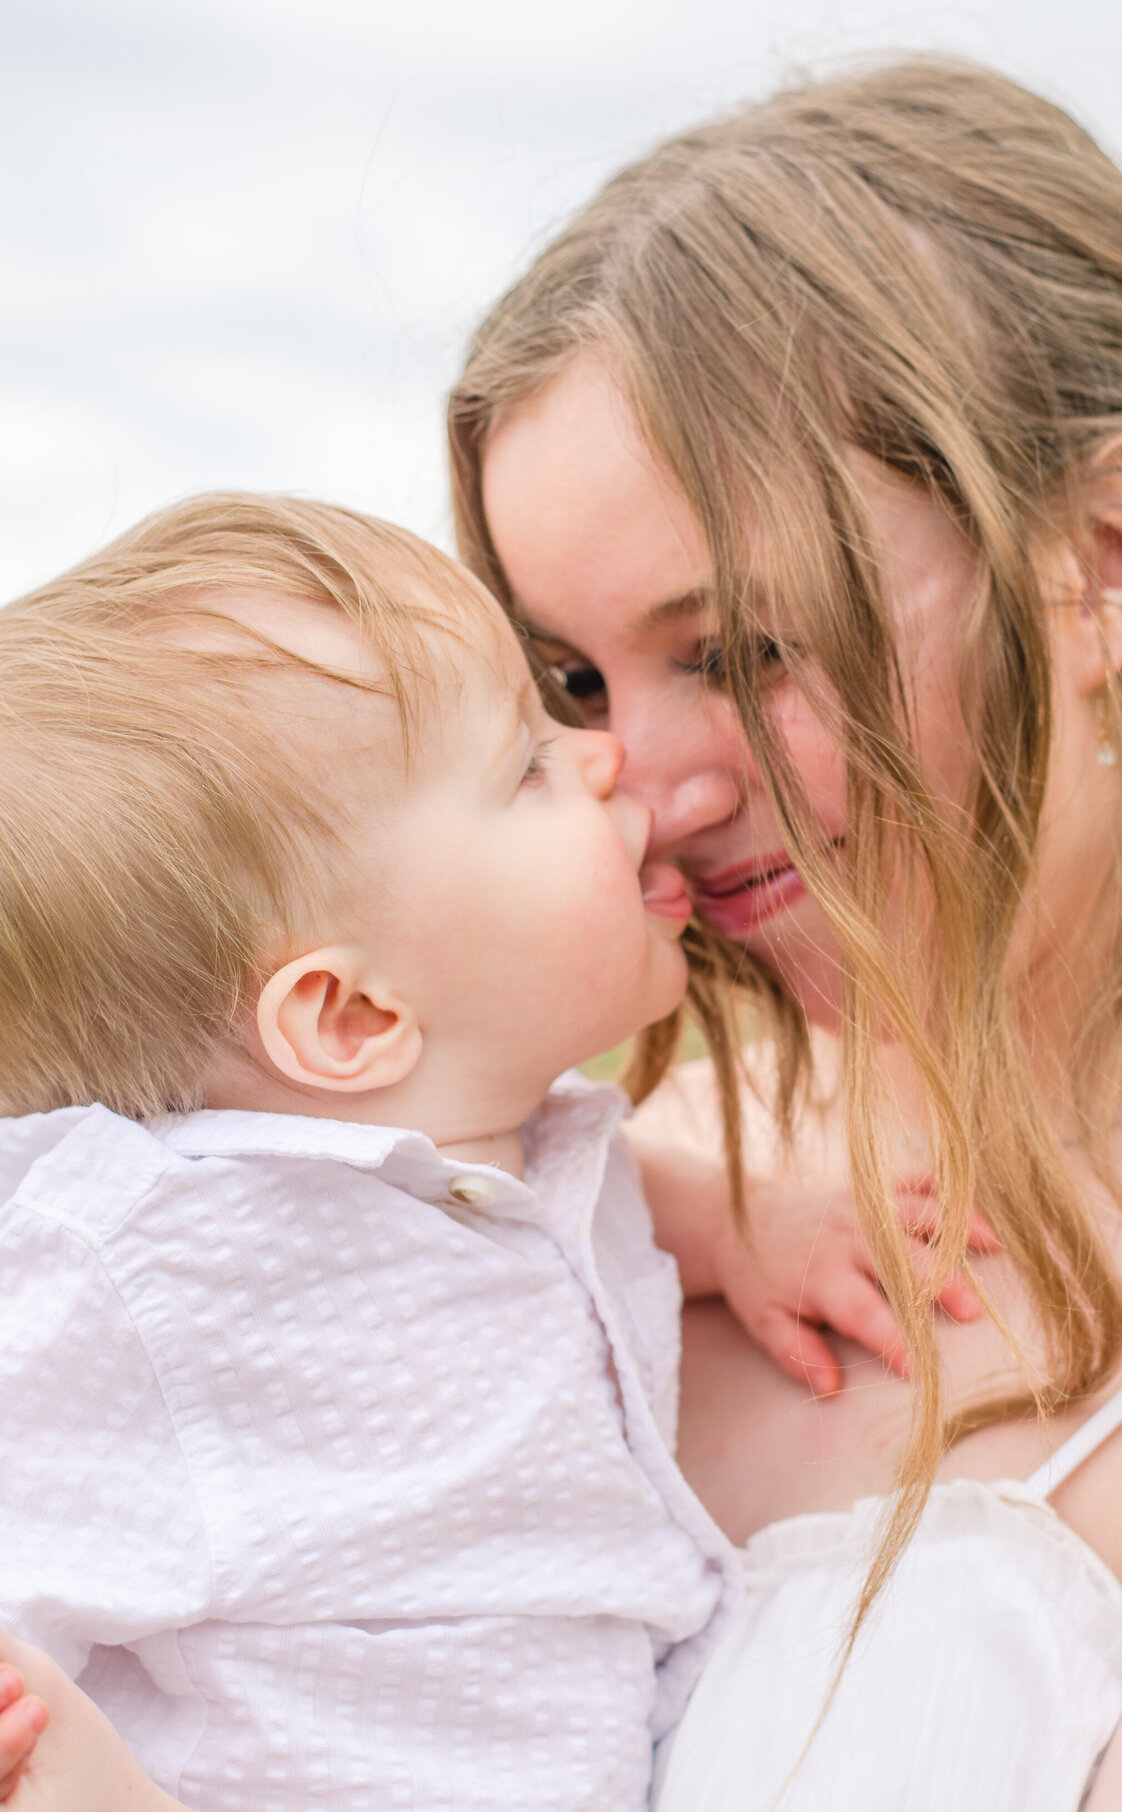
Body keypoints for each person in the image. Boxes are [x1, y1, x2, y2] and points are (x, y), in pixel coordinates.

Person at [447, 55, 1122, 1810]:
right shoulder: (572, 1189)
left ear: (1103, 558)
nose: (642, 782)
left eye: (738, 650)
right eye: (573, 677)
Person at [0, 490, 975, 1810]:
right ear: (351, 1016)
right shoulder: (148, 1259)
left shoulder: (528, 1137)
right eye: (523, 764)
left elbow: (565, 1190)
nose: (603, 758)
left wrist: (735, 1226)